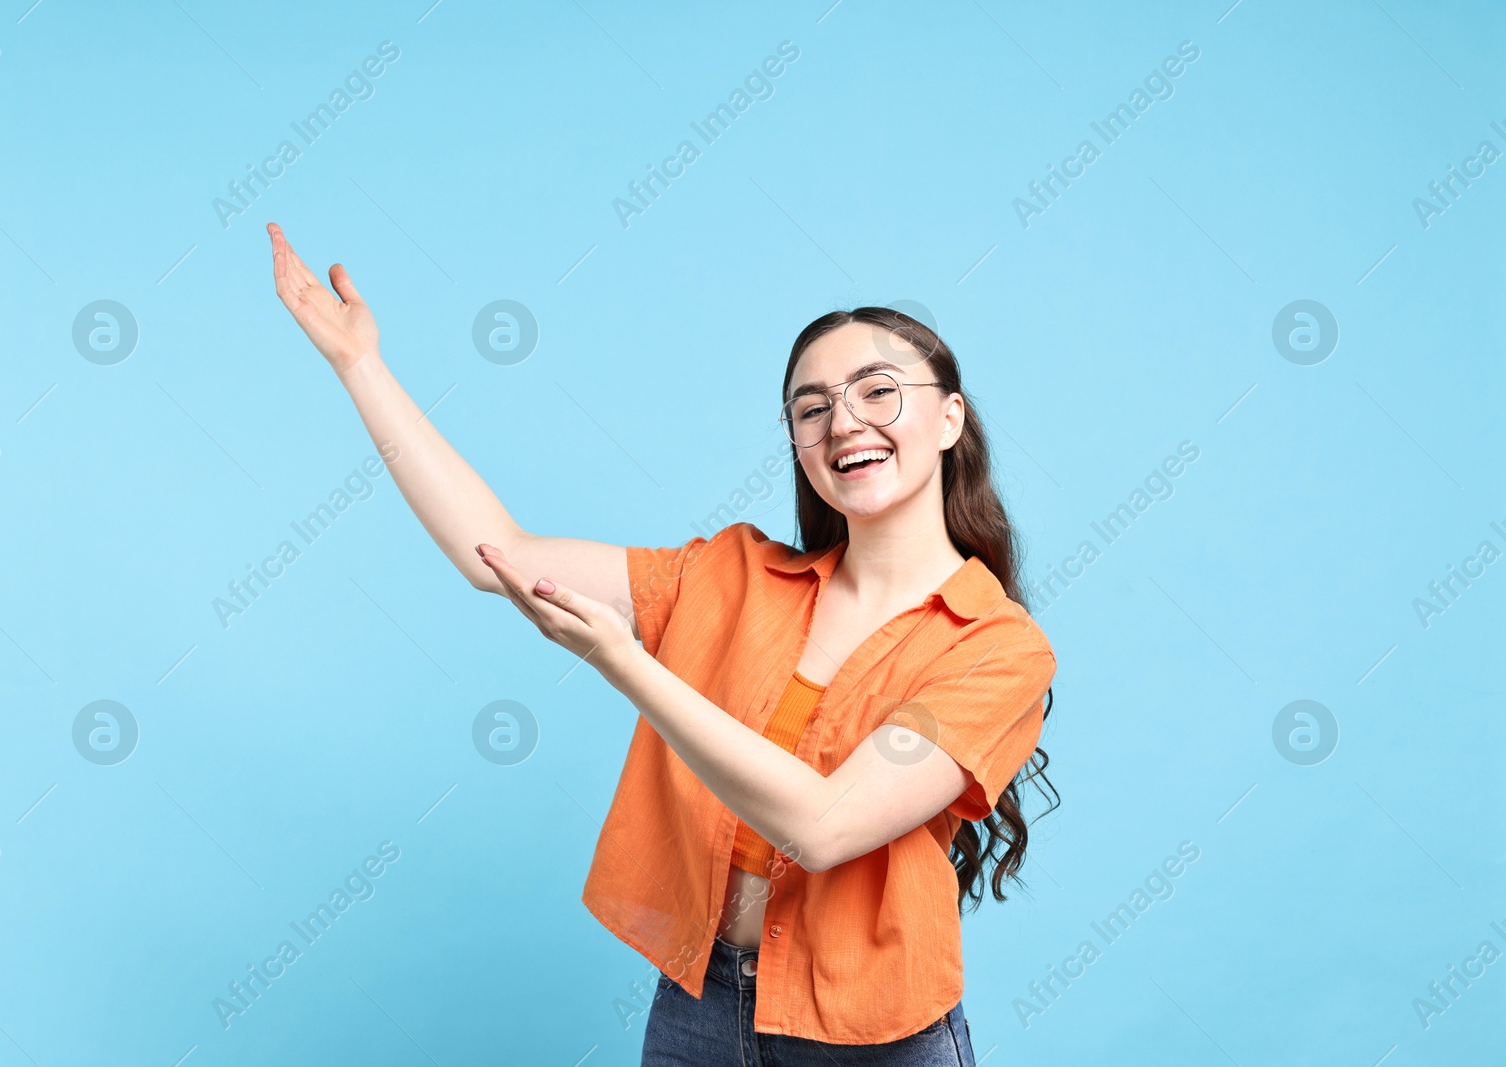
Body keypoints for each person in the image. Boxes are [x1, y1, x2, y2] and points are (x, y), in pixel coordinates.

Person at [267, 222, 1058, 1064]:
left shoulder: (996, 647)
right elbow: (493, 554)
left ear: (949, 417)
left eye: (876, 391)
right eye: (811, 407)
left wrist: (630, 668)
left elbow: (825, 827)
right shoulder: (729, 575)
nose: (842, 422)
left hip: (873, 1036)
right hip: (702, 1008)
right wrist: (361, 366)